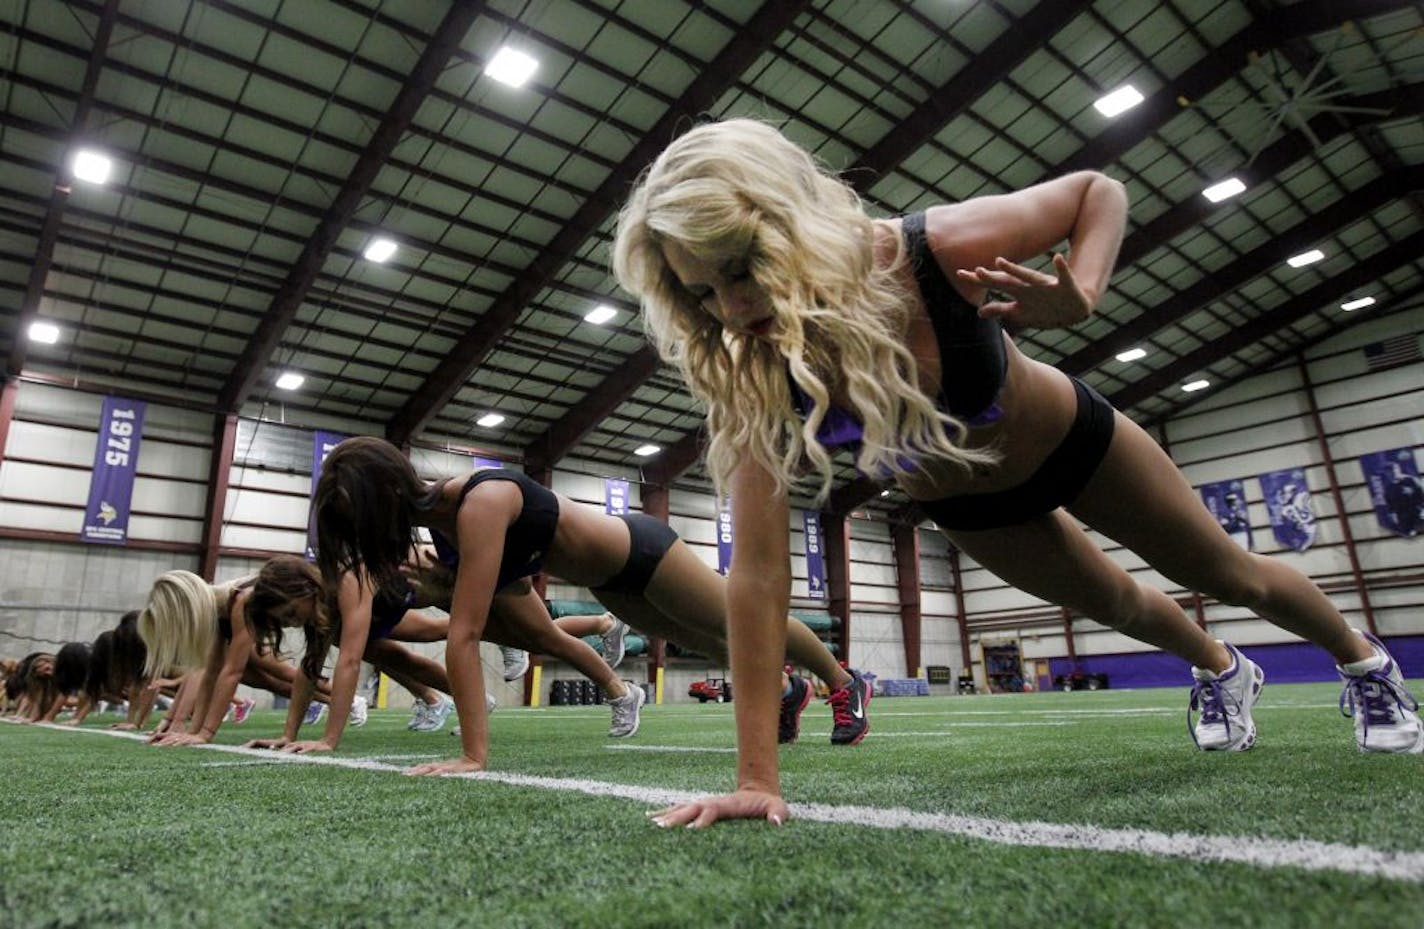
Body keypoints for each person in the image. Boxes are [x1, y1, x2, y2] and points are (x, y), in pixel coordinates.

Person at [611, 118, 1423, 826]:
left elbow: (1094, 192)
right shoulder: (750, 369)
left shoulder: (927, 250)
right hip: (972, 509)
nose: (729, 307)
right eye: (701, 290)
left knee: (1228, 572)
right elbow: (756, 577)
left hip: (1075, 442)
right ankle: (1220, 668)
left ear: (785, 223)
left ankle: (1363, 661)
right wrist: (756, 778)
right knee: (1118, 601)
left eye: (741, 269)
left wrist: (1084, 293)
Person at [313, 436, 871, 775]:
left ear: (385, 498)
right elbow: (505, 619)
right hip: (613, 583)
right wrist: (444, 590)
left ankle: (843, 682)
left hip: (644, 552)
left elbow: (464, 633)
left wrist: (473, 755)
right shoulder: (447, 534)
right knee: (713, 642)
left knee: (744, 622)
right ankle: (786, 689)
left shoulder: (477, 504)